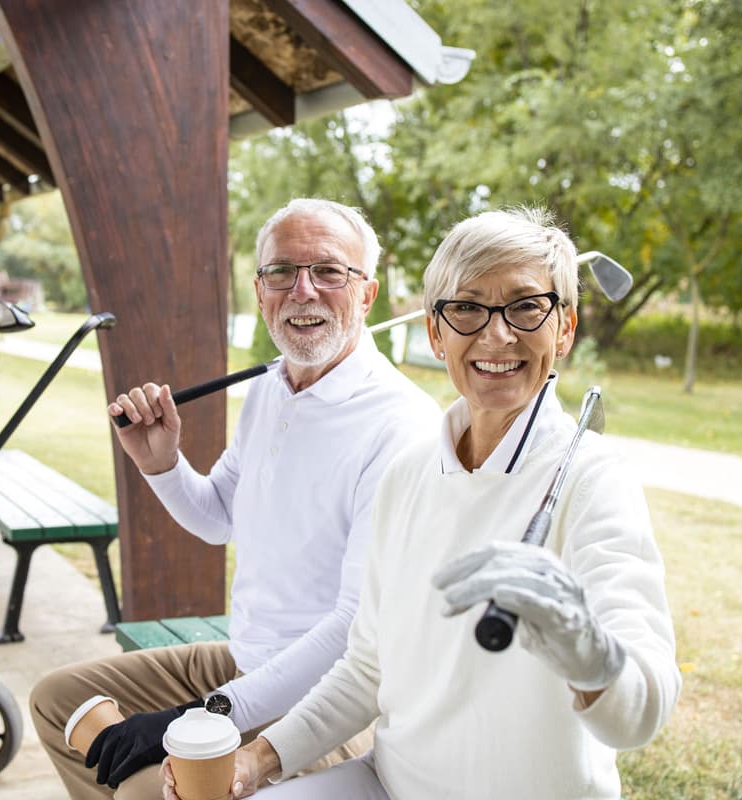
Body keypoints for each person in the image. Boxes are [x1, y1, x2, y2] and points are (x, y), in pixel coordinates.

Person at [179, 206, 681, 799]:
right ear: (436, 334)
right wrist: (257, 760)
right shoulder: (409, 472)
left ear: (564, 329)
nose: (497, 334)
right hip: (386, 783)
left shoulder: (595, 481)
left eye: (525, 306)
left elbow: (642, 711)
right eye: (466, 308)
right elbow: (366, 669)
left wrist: (590, 653)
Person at [29, 198, 442, 799]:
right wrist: (161, 463)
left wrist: (199, 715)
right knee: (57, 701)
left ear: (367, 294)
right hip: (244, 661)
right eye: (282, 272)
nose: (302, 290)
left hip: (323, 702)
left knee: (145, 791)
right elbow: (219, 516)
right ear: (260, 291)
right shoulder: (271, 388)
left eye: (329, 271)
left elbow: (354, 630)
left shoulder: (401, 426)